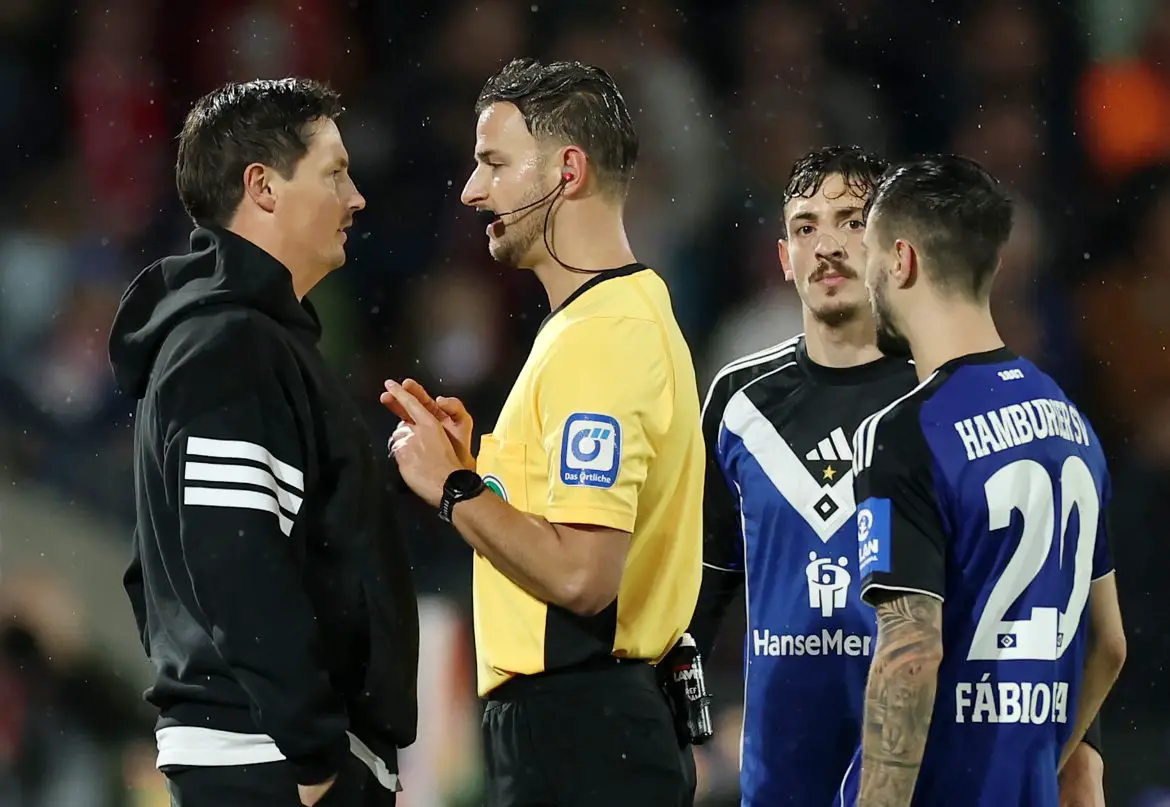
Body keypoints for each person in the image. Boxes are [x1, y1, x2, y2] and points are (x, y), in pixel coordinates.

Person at [691, 145, 1111, 807]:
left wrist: (1074, 750)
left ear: (894, 246)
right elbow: (699, 597)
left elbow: (975, 630)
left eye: (852, 221)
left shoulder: (927, 409)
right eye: (806, 227)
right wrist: (676, 734)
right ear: (783, 257)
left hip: (913, 777)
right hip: (782, 777)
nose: (828, 245)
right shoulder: (738, 401)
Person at [381, 57, 701, 807]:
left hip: (585, 733)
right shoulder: (603, 323)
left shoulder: (603, 337)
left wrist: (454, 490)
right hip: (596, 729)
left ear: (567, 169)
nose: (472, 189)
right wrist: (486, 476)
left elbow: (584, 575)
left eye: (494, 162)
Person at [107, 78, 419, 807]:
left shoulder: (239, 340)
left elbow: (149, 575)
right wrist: (313, 756)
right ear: (263, 187)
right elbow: (235, 558)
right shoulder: (232, 346)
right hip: (271, 760)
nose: (357, 197)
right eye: (335, 171)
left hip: (262, 749)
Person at [836, 155, 1126, 807]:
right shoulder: (1071, 423)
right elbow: (1109, 643)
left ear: (901, 260)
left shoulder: (906, 431)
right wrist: (1038, 760)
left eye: (870, 255)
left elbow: (910, 653)